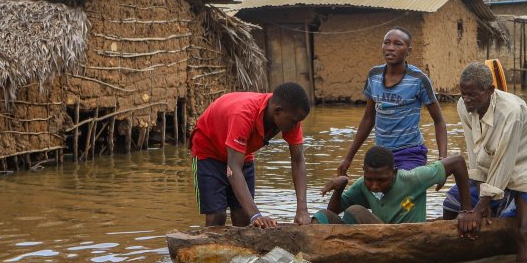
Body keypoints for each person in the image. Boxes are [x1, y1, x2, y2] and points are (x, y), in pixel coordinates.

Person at [443, 62, 527, 262]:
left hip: (526, 170)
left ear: (490, 91)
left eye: (472, 95)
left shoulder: (510, 112)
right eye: (463, 94)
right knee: (451, 204)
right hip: (490, 171)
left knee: (522, 231)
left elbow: (505, 162)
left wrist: (481, 207)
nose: (466, 100)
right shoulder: (463, 106)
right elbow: (474, 152)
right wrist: (474, 207)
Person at [190, 83, 312, 228]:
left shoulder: (290, 119)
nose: (296, 126)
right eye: (294, 121)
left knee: (242, 215)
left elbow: (298, 161)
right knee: (217, 215)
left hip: (241, 152)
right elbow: (233, 168)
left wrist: (302, 209)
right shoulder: (243, 115)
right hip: (208, 150)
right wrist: (256, 214)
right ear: (277, 111)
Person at [337, 27, 448, 175]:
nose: (390, 48)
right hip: (382, 155)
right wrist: (348, 159)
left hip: (410, 153)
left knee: (403, 189)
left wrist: (442, 160)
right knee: (374, 193)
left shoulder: (419, 80)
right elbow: (368, 119)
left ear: (409, 51)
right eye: (386, 43)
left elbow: (439, 121)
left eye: (398, 44)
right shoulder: (374, 75)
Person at [316, 146, 473, 225]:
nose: (374, 186)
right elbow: (333, 212)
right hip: (374, 237)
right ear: (364, 172)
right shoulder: (362, 185)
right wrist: (340, 188)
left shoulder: (413, 178)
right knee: (322, 215)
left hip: (403, 237)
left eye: (381, 180)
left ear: (394, 172)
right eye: (369, 179)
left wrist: (466, 210)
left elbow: (457, 162)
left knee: (355, 211)